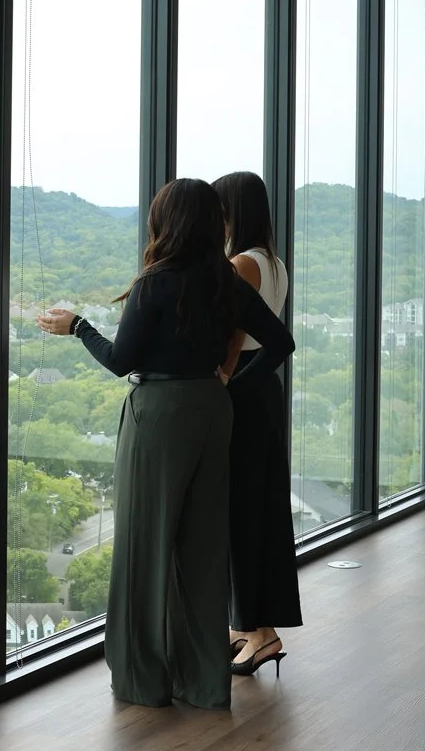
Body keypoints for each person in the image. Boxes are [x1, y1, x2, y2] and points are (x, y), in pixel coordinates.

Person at [37, 178, 294, 710]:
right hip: (212, 410)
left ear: (165, 222)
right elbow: (280, 343)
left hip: (159, 416)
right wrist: (229, 384)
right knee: (203, 549)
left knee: (143, 546)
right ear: (211, 225)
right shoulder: (226, 281)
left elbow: (120, 359)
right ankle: (203, 683)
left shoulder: (156, 282)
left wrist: (78, 326)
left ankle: (143, 681)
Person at [213, 171, 303, 678]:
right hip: (264, 388)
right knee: (261, 506)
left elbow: (235, 332)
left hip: (243, 385)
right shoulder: (275, 262)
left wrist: (224, 379)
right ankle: (246, 627)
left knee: (241, 512)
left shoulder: (240, 263)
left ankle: (260, 633)